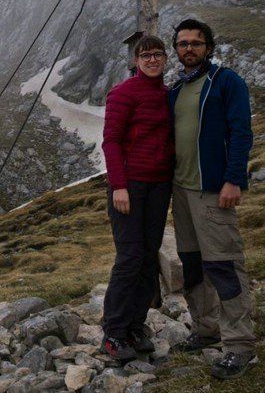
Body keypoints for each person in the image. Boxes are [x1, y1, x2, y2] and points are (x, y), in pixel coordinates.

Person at [168, 18, 257, 380]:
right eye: (183, 43)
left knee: (223, 264)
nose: (189, 48)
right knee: (192, 265)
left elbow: (241, 132)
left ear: (209, 47)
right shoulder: (176, 88)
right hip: (181, 190)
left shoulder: (226, 82)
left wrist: (234, 179)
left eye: (196, 43)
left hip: (212, 190)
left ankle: (239, 346)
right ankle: (205, 330)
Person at [100, 35, 175, 361]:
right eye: (146, 55)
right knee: (130, 257)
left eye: (158, 54)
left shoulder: (167, 94)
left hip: (159, 186)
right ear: (136, 60)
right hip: (130, 186)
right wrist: (119, 186)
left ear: (165, 59)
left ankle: (135, 325)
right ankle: (113, 332)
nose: (152, 60)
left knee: (147, 256)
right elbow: (111, 142)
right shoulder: (123, 93)